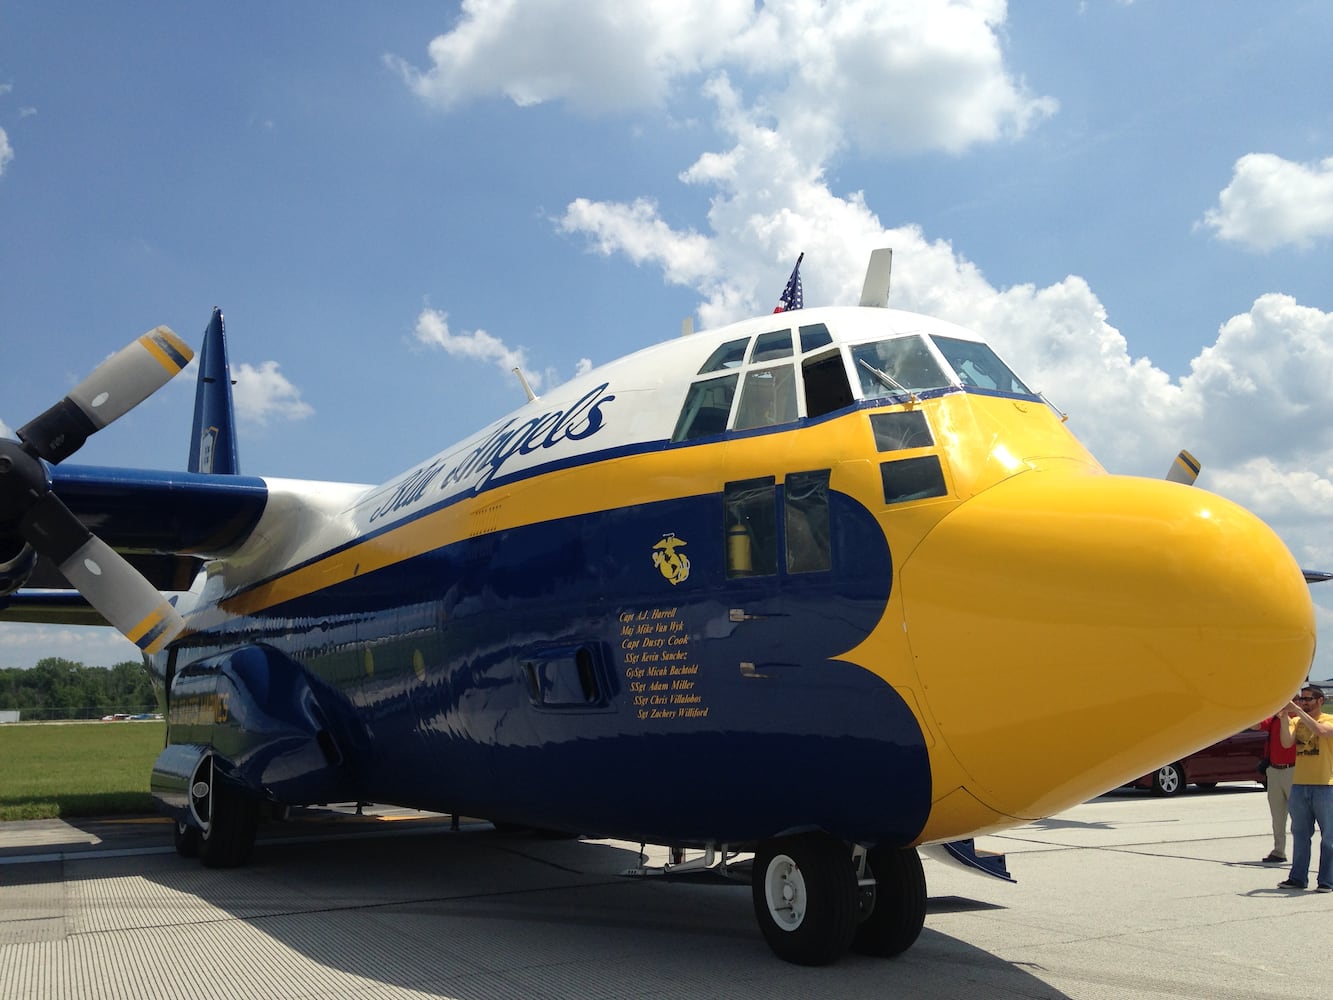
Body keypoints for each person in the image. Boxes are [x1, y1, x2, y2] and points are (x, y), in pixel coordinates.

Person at [1276, 685, 1333, 892]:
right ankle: (1298, 877)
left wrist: (1297, 710)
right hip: (1300, 785)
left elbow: (1320, 731)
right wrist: (1284, 716)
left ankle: (1327, 880)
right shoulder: (1297, 721)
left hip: (1326, 786)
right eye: (1301, 699)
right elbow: (1286, 742)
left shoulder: (1328, 719)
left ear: (1320, 701)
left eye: (1308, 699)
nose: (1303, 702)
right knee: (1300, 835)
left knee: (1329, 838)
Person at [1252, 704, 1299, 863]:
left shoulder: (1299, 720)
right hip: (1274, 770)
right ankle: (1279, 851)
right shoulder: (1274, 719)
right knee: (1277, 815)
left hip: (1293, 770)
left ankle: (1301, 852)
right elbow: (1255, 725)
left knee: (1299, 816)